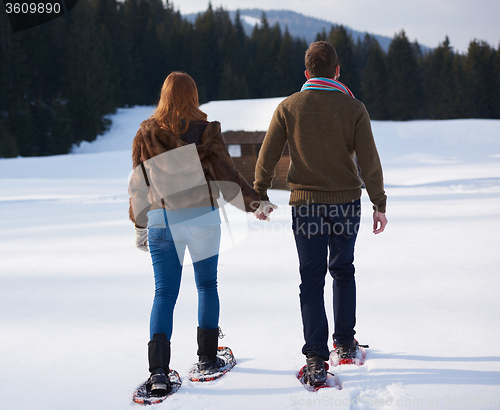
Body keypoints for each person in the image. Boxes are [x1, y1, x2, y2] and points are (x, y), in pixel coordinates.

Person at [254, 41, 388, 387]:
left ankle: (315, 357)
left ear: (307, 73)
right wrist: (379, 203)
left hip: (306, 205)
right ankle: (344, 343)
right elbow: (369, 160)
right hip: (345, 203)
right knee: (343, 270)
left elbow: (267, 155)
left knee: (311, 279)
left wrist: (260, 194)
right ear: (338, 71)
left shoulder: (288, 107)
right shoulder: (354, 108)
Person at [128, 72, 269, 396]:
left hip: (163, 221)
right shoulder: (206, 132)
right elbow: (227, 175)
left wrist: (139, 224)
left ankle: (159, 373)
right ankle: (207, 359)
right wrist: (256, 204)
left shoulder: (146, 133)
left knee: (164, 294)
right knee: (207, 286)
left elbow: (138, 185)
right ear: (193, 96)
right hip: (203, 219)